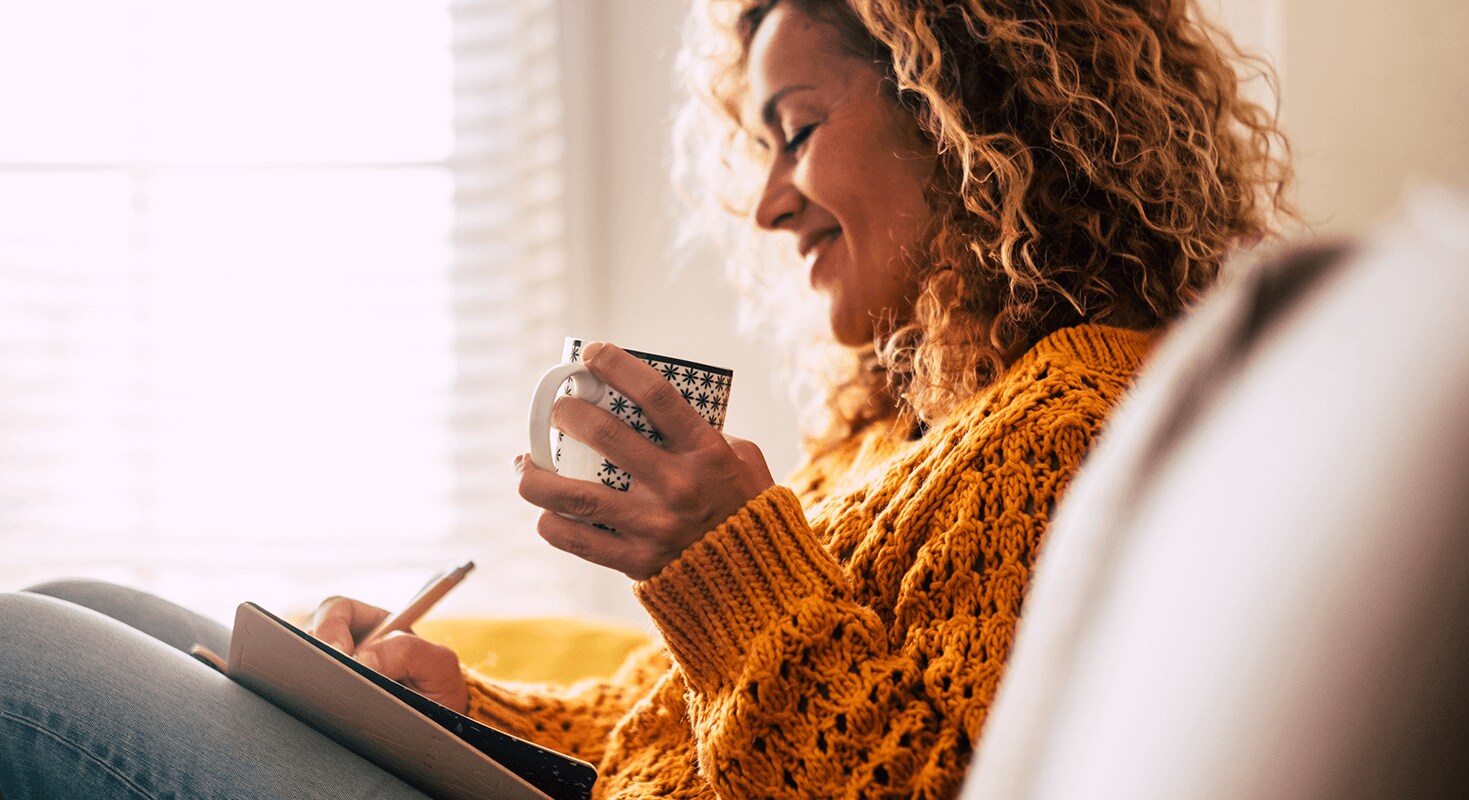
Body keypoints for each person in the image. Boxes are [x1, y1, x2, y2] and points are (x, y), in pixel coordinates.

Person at [0, 0, 1290, 797]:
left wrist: (728, 560)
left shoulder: (1079, 422)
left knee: (18, 657)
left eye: (797, 127)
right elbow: (677, 726)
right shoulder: (909, 431)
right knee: (84, 607)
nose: (771, 199)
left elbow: (904, 779)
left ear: (962, 110)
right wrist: (461, 712)